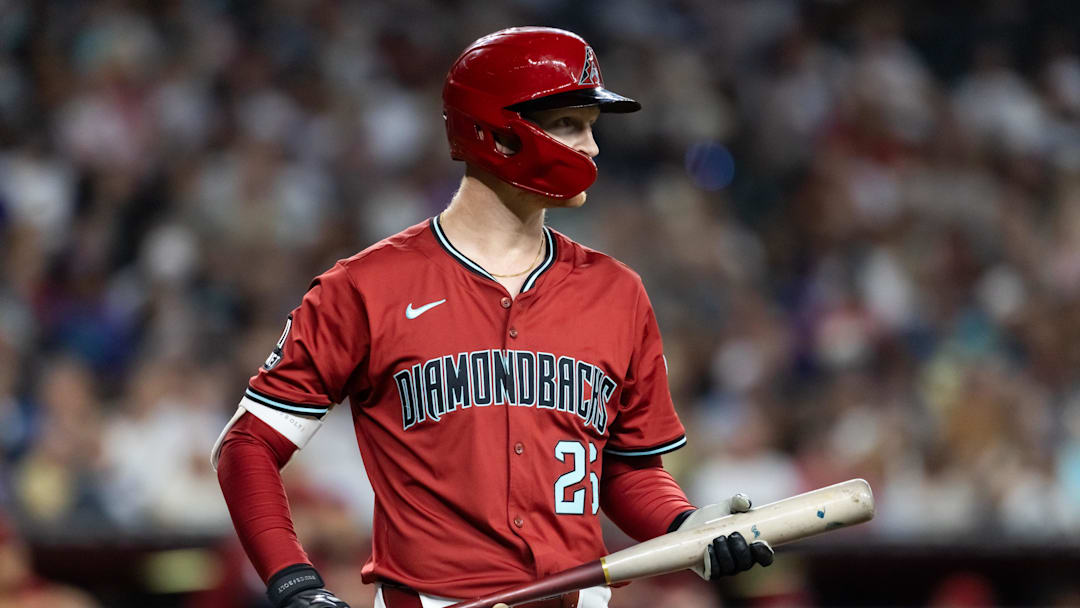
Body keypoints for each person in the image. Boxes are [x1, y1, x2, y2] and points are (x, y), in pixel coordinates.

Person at [212, 27, 773, 608]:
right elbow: (248, 443)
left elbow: (629, 472)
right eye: (568, 125)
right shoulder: (365, 287)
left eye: (591, 128)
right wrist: (292, 579)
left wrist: (687, 525)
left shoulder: (618, 291)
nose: (591, 147)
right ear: (497, 131)